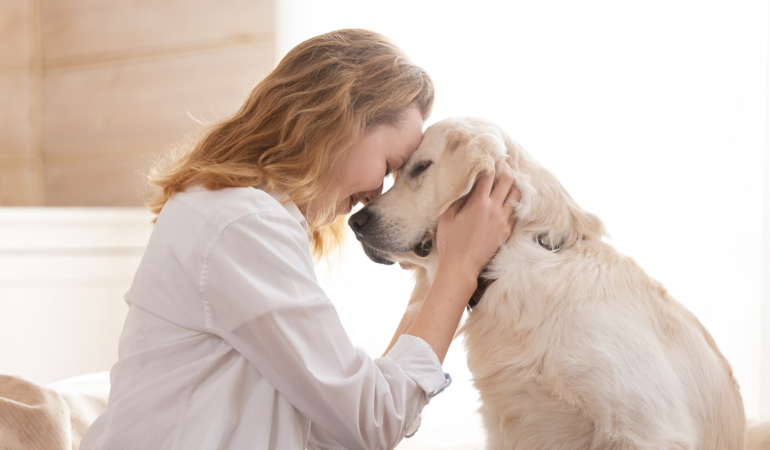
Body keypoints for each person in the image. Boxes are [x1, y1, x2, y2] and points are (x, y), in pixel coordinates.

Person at [80, 29, 519, 450]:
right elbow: (372, 422)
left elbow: (331, 427)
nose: (376, 195)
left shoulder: (234, 213)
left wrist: (438, 275)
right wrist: (458, 274)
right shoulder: (241, 223)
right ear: (339, 121)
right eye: (388, 166)